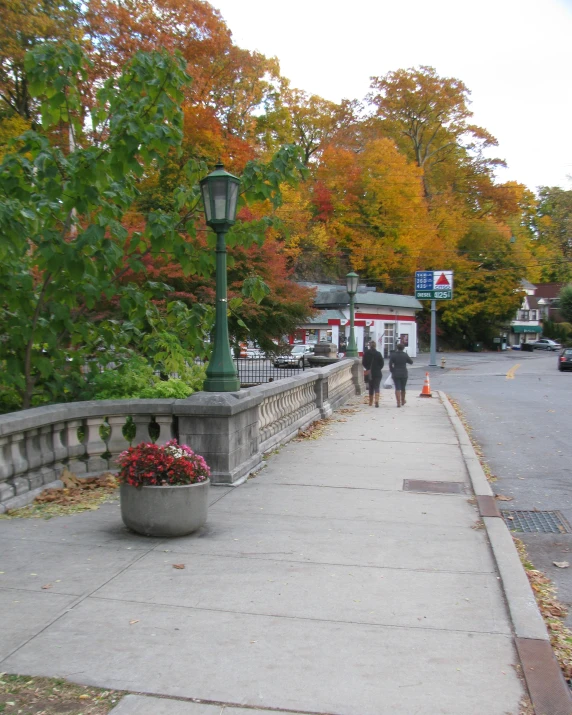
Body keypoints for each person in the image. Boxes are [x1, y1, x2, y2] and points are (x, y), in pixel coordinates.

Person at [389, 343, 413, 408]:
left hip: (396, 373)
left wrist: (392, 370)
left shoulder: (393, 355)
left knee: (397, 388)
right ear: (403, 348)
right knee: (403, 388)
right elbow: (411, 362)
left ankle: (398, 402)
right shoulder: (405, 355)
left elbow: (390, 364)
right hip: (404, 373)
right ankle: (403, 400)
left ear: (397, 348)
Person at [362, 340, 384, 407]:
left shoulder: (366, 353)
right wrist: (378, 368)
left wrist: (368, 368)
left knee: (371, 387)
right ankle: (376, 400)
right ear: (375, 346)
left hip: (370, 372)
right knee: (377, 386)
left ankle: (370, 402)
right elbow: (382, 363)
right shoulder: (378, 353)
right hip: (377, 372)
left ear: (369, 346)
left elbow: (363, 362)